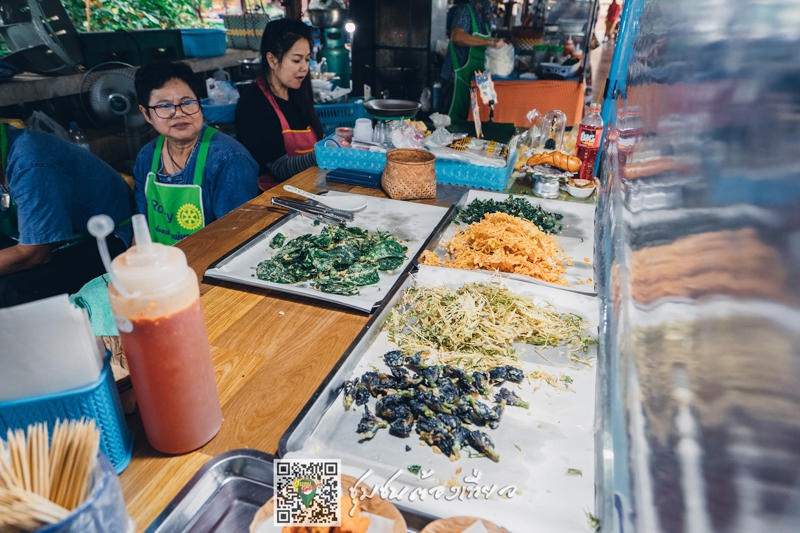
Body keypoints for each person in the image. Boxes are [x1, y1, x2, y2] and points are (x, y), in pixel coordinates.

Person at [0, 123, 133, 307]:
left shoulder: (30, 161)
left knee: (9, 291)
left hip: (108, 239)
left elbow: (34, 253)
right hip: (53, 241)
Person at [133, 61, 259, 246]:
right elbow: (141, 232)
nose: (178, 113)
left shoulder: (229, 161)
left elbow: (239, 241)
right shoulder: (146, 158)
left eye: (187, 102)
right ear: (146, 114)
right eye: (164, 106)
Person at [235, 18, 323, 189]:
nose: (304, 67)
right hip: (272, 200)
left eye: (307, 59)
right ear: (272, 60)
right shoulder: (254, 104)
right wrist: (324, 155)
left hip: (308, 189)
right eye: (297, 60)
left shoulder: (297, 94)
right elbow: (280, 168)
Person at [441, 0, 503, 121]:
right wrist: (489, 42)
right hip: (455, 78)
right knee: (450, 123)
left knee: (468, 123)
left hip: (474, 81)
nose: (493, 3)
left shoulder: (484, 20)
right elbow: (457, 36)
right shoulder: (464, 11)